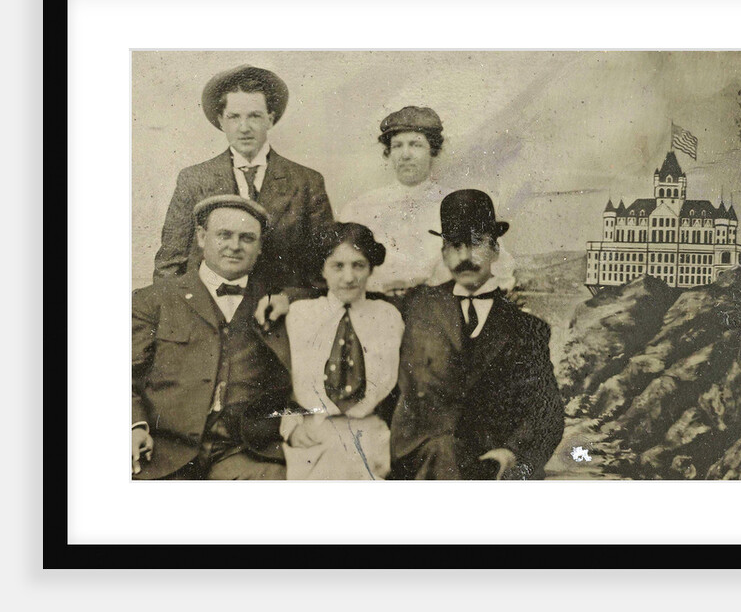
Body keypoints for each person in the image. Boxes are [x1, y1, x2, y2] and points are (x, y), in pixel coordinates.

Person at [390, 189, 563, 480]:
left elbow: (546, 411)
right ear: (444, 254)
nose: (465, 257)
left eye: (477, 244)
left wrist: (510, 453)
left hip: (495, 465)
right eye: (456, 246)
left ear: (495, 250)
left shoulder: (528, 329)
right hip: (424, 460)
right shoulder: (417, 309)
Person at [132, 195, 294, 480]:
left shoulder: (274, 302)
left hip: (244, 452)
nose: (234, 246)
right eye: (224, 235)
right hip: (164, 450)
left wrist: (291, 298)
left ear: (259, 248)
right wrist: (134, 427)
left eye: (247, 238)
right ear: (202, 237)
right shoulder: (153, 301)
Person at [154, 64, 334, 296]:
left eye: (254, 116)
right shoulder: (194, 179)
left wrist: (290, 303)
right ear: (221, 121)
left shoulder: (306, 182)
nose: (244, 128)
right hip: (209, 315)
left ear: (270, 119)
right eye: (234, 117)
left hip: (279, 316)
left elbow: (325, 266)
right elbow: (169, 264)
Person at [338, 106, 515, 295]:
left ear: (433, 150)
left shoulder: (458, 205)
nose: (405, 154)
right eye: (397, 146)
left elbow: (498, 265)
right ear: (389, 152)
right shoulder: (360, 208)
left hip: (444, 309)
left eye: (416, 145)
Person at [280, 223, 404, 480]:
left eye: (358, 265)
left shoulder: (388, 317)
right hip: (313, 432)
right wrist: (290, 427)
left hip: (370, 431)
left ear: (370, 268)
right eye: (338, 266)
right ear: (322, 270)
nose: (349, 277)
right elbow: (282, 383)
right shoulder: (300, 315)